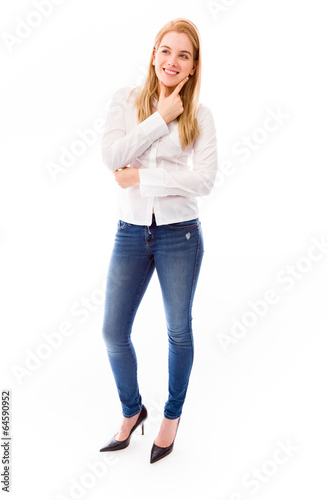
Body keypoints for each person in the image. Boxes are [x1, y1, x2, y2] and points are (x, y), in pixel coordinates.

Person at [99, 18, 217, 464]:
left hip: (180, 236)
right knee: (113, 332)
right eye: (166, 51)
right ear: (153, 54)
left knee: (178, 330)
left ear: (192, 68)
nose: (172, 60)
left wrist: (141, 177)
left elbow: (203, 181)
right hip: (130, 232)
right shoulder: (124, 102)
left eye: (183, 55)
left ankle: (171, 416)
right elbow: (111, 158)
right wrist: (159, 119)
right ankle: (133, 411)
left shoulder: (202, 117)